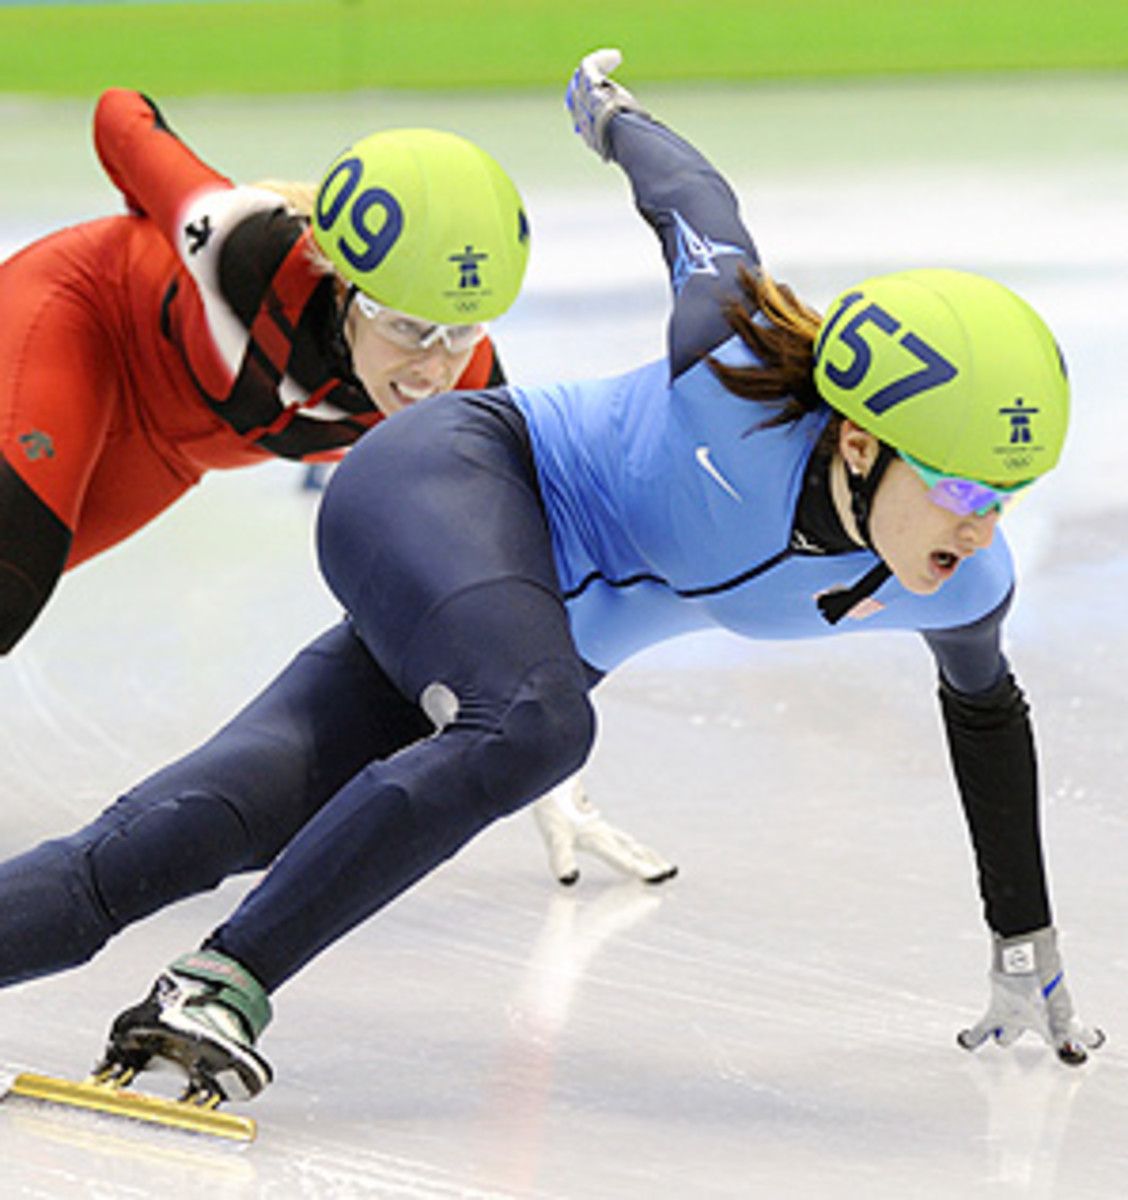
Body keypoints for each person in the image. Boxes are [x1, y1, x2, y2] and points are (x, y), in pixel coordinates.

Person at [0, 50, 1101, 1108]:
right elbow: (699, 204)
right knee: (540, 727)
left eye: (1007, 493)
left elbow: (990, 720)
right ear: (862, 442)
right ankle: (218, 993)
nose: (984, 523)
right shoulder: (727, 373)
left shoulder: (961, 582)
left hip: (502, 645)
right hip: (449, 480)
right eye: (960, 486)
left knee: (181, 840)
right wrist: (613, 119)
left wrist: (1023, 938)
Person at [0, 86, 671, 887]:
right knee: (11, 580)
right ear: (345, 289)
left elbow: (516, 595)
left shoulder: (467, 392)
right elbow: (120, 113)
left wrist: (552, 774)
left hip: (175, 452)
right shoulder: (242, 242)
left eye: (462, 331)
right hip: (79, 323)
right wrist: (159, 223)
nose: (434, 364)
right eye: (409, 327)